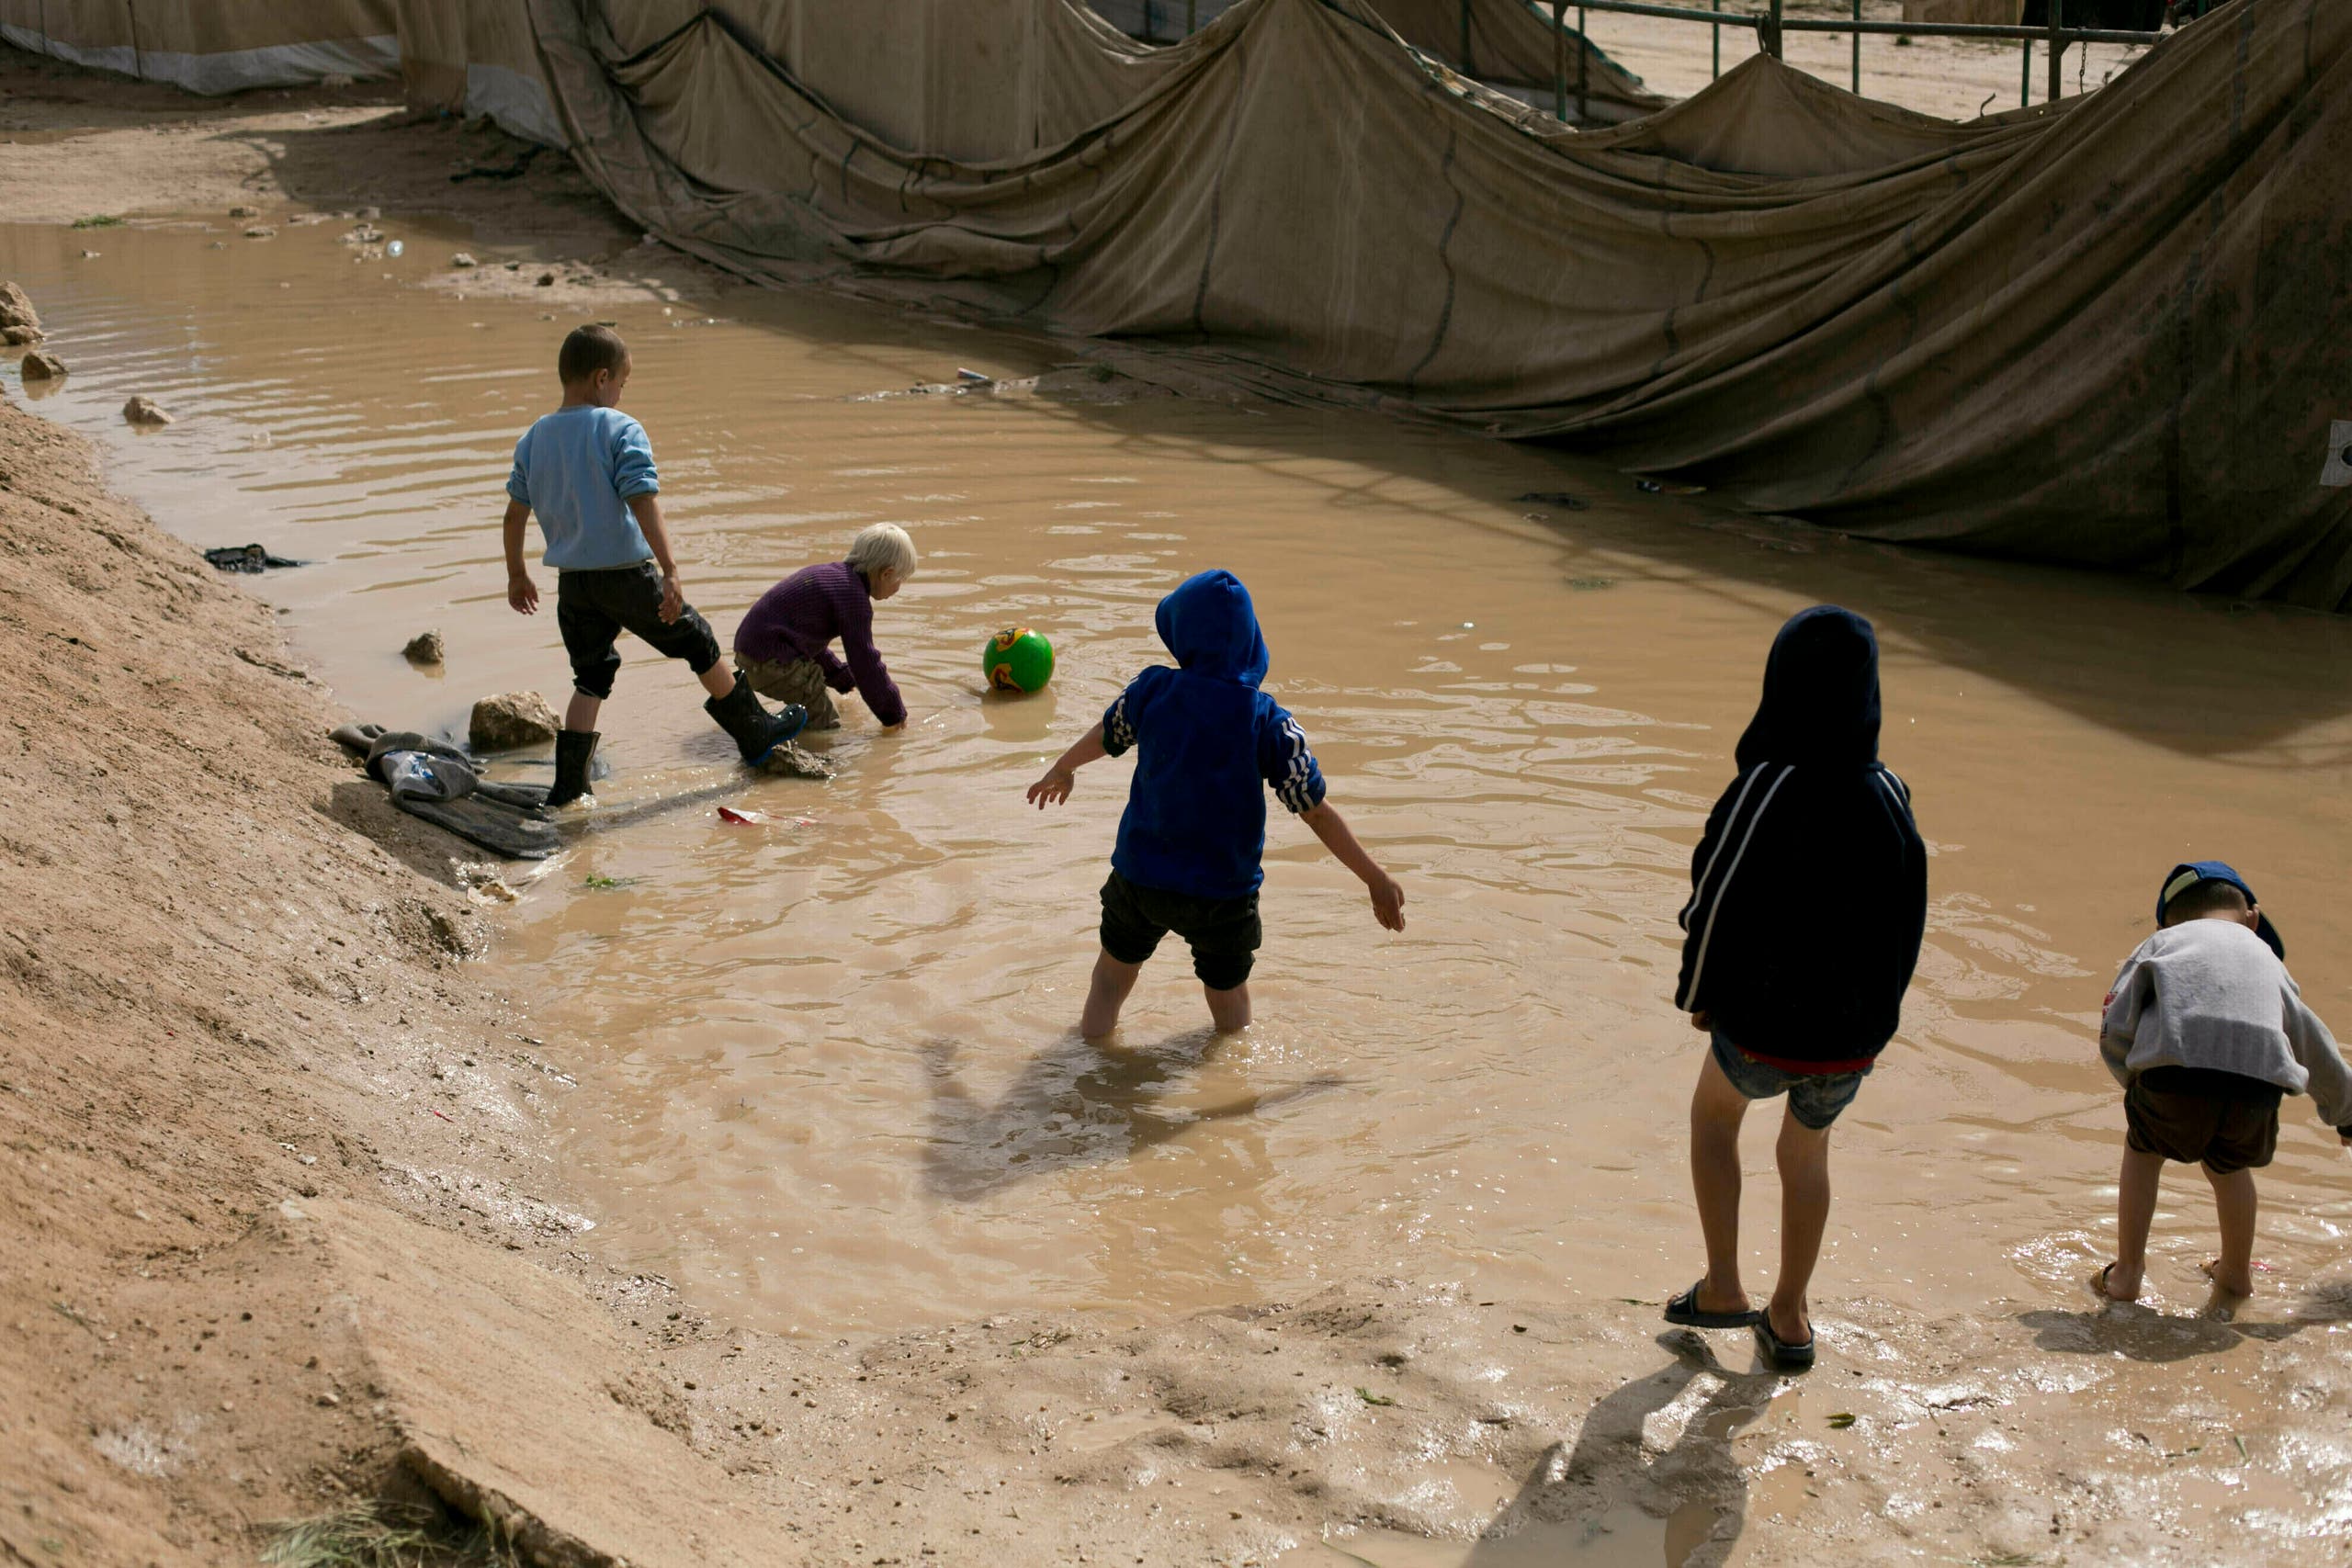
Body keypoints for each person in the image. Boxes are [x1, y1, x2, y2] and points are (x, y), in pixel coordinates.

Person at [1663, 606, 1926, 1372]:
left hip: (1759, 1023)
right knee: (1807, 1156)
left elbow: (1713, 895)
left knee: (1715, 1120)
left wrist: (1698, 994)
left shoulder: (1767, 784)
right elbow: (1906, 918)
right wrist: (1877, 1028)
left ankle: (1722, 1286)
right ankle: (1790, 1313)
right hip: (1849, 1041)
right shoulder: (1889, 791)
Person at [1023, 569, 1404, 1039]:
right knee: (1229, 1000)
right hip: (1222, 895)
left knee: (1109, 979)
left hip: (1140, 880)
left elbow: (1109, 734)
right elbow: (1314, 809)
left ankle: (1089, 1060)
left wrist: (1063, 767)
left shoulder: (1152, 691)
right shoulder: (1269, 722)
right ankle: (1230, 1090)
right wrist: (1375, 877)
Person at [503, 324, 805, 806]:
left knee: (591, 677)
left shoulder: (534, 439)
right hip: (626, 576)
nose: (622, 393)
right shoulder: (619, 428)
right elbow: (641, 498)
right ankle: (755, 730)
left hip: (574, 586)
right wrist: (669, 567)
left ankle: (568, 786)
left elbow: (515, 513)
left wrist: (517, 573)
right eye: (622, 383)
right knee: (698, 640)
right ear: (602, 379)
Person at [2096, 862, 2352, 1306]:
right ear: (2253, 917)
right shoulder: (2266, 959)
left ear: (2166, 921)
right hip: (2257, 1090)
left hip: (2171, 1077)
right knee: (2229, 1166)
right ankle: (2235, 1275)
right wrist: (2345, 1113)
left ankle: (2127, 1275)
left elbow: (2116, 1025)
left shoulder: (2160, 943)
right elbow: (2311, 1039)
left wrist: (2135, 1083)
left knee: (2144, 1150)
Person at [733, 524, 915, 732]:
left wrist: (842, 679)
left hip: (751, 656)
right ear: (886, 574)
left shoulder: (832, 577)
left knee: (812, 697)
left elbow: (809, 642)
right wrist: (894, 715)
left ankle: (783, 729)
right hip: (770, 662)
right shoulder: (854, 599)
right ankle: (814, 757)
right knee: (825, 724)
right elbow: (865, 661)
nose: (899, 586)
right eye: (901, 578)